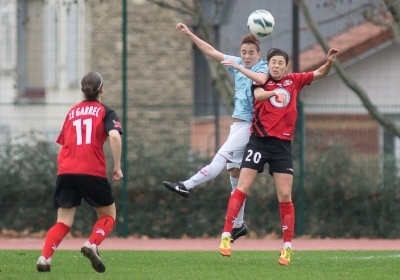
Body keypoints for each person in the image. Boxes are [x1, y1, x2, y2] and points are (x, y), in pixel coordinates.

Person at [218, 47, 339, 265]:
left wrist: (329, 61)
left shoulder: (294, 80)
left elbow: (320, 73)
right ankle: (226, 236)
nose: (275, 66)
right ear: (268, 64)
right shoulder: (262, 79)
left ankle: (286, 248)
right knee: (243, 187)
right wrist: (273, 92)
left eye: (279, 63)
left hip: (282, 147)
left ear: (286, 66)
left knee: (285, 195)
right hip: (259, 141)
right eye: (272, 62)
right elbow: (259, 95)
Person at [163, 22, 269, 242]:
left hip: (250, 126)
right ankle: (238, 225)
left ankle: (186, 186)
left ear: (259, 53)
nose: (246, 56)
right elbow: (211, 51)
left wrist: (240, 67)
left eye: (251, 53)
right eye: (243, 53)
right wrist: (190, 34)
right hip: (237, 124)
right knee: (235, 177)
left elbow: (262, 80)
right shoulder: (237, 62)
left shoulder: (262, 68)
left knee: (218, 161)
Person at [36, 71, 123, 273]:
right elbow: (115, 137)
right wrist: (117, 166)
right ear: (102, 89)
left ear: (83, 91)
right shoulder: (105, 112)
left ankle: (44, 258)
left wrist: (64, 169)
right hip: (91, 170)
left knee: (63, 222)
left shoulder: (71, 112)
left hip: (66, 170)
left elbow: (62, 145)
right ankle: (92, 244)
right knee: (108, 215)